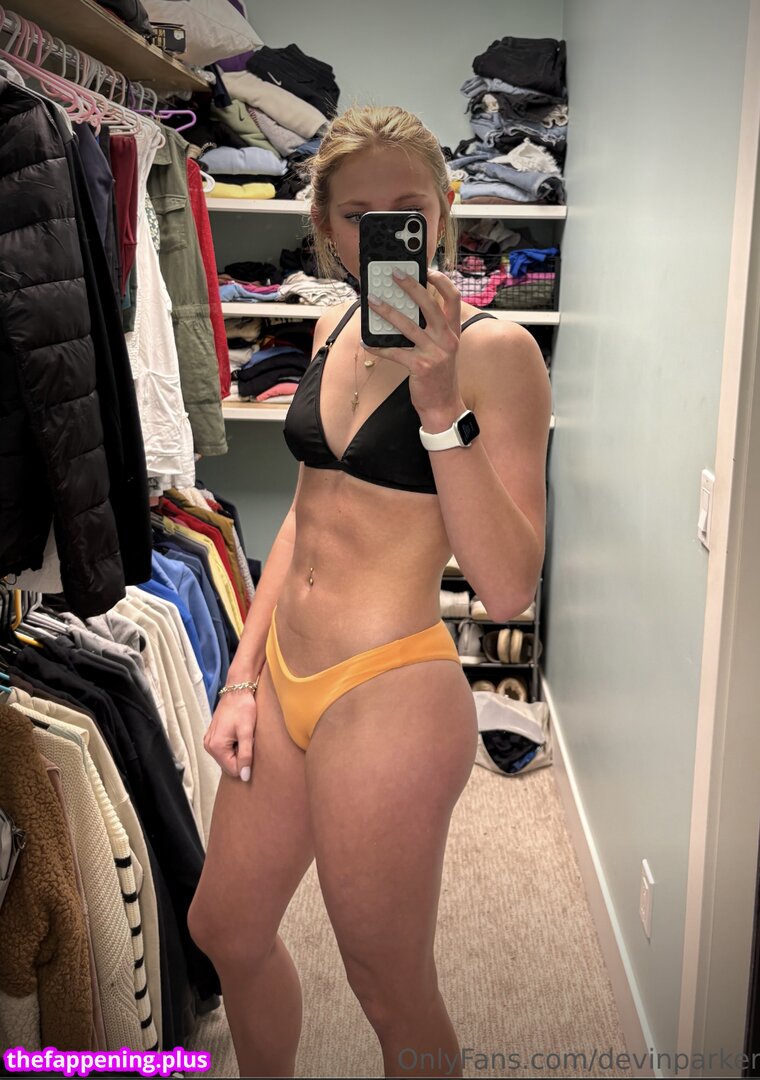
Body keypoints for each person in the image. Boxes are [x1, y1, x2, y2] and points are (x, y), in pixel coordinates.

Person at [188, 104, 552, 1078]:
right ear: (324, 226)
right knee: (225, 929)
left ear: (444, 209)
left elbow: (507, 588)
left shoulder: (497, 354)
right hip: (285, 672)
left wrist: (439, 405)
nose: (387, 230)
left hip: (387, 686)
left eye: (408, 208)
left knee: (388, 987)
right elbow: (305, 517)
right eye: (359, 215)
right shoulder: (332, 323)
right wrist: (242, 678)